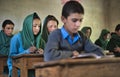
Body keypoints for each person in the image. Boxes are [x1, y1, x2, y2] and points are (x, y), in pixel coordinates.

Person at [7, 12, 45, 77]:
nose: (37, 28)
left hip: (36, 69)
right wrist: (27, 52)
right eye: (34, 26)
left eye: (39, 26)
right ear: (28, 25)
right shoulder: (16, 38)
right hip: (18, 70)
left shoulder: (40, 39)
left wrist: (44, 52)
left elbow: (49, 53)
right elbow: (11, 58)